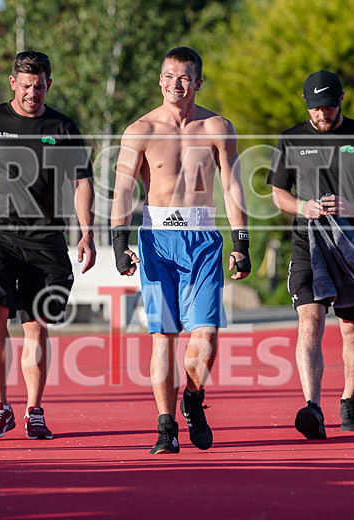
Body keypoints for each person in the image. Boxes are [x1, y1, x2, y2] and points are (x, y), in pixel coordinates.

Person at [0, 51, 95, 441]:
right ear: (13, 82)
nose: (32, 93)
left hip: (46, 240)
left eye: (39, 86)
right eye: (26, 85)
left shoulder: (61, 126)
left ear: (49, 84)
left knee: (35, 324)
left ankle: (33, 411)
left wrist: (87, 233)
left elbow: (81, 182)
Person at [110, 47, 251, 454]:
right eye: (169, 76)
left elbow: (231, 185)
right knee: (164, 337)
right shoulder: (140, 130)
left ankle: (192, 396)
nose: (176, 84)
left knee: (206, 337)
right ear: (160, 80)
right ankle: (165, 426)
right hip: (157, 241)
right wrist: (119, 241)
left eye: (185, 77)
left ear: (198, 82)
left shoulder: (217, 127)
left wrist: (241, 241)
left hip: (202, 240)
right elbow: (123, 188)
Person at [267, 69, 354, 440]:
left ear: (341, 100)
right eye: (314, 108)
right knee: (310, 320)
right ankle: (313, 407)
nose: (321, 114)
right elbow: (278, 193)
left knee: (352, 331)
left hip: (352, 248)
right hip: (307, 244)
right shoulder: (291, 138)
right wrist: (301, 206)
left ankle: (349, 399)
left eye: (327, 106)